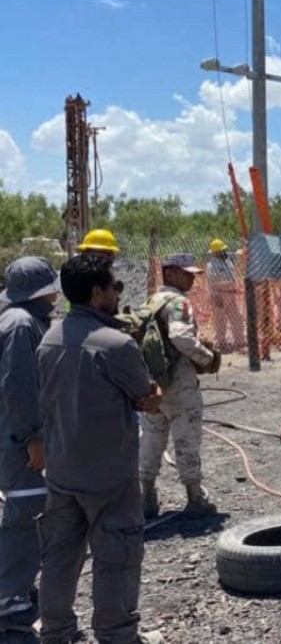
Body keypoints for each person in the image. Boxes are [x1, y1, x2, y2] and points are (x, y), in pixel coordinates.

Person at [36, 253, 164, 644]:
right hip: (109, 476)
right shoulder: (115, 345)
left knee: (59, 556)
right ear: (97, 293)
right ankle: (116, 634)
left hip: (61, 472)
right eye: (114, 287)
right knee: (117, 556)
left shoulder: (49, 338)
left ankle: (57, 633)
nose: (117, 293)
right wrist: (153, 394)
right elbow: (146, 395)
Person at [0, 258, 59, 633]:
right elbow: (19, 387)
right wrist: (33, 436)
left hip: (11, 435)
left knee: (23, 510)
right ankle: (10, 597)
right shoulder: (22, 325)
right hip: (17, 440)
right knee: (24, 514)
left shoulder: (15, 317)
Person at [140, 254, 220, 519]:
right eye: (187, 274)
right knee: (186, 437)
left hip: (152, 384)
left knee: (152, 439)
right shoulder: (179, 303)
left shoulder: (150, 301)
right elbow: (181, 337)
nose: (192, 279)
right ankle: (195, 497)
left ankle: (148, 496)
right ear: (170, 273)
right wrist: (207, 359)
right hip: (178, 384)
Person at [206, 238, 244, 353]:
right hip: (219, 294)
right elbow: (210, 282)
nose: (225, 252)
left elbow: (238, 253)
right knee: (220, 320)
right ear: (216, 253)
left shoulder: (227, 260)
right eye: (222, 250)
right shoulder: (212, 266)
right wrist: (214, 295)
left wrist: (245, 247)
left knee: (236, 318)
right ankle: (221, 343)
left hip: (230, 294)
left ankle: (239, 341)